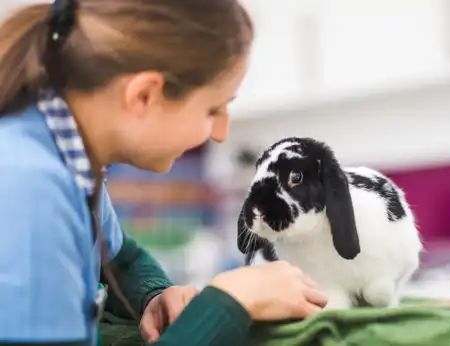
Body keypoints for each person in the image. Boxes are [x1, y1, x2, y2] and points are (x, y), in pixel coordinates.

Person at [0, 0, 329, 345]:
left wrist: (154, 295)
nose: (220, 133)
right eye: (213, 108)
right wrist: (228, 303)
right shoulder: (30, 189)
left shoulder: (67, 161)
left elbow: (120, 260)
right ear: (144, 95)